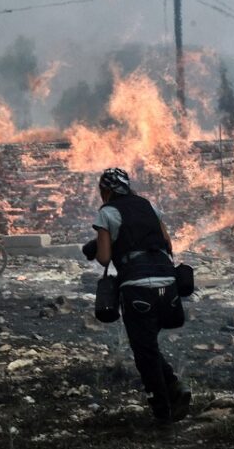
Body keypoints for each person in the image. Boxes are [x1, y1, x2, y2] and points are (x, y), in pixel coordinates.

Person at [82, 168, 191, 425]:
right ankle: (174, 387)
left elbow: (105, 258)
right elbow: (167, 243)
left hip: (138, 288)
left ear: (106, 190)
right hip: (168, 284)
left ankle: (163, 412)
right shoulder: (148, 206)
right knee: (148, 345)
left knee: (144, 353)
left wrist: (98, 244)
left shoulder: (107, 213)